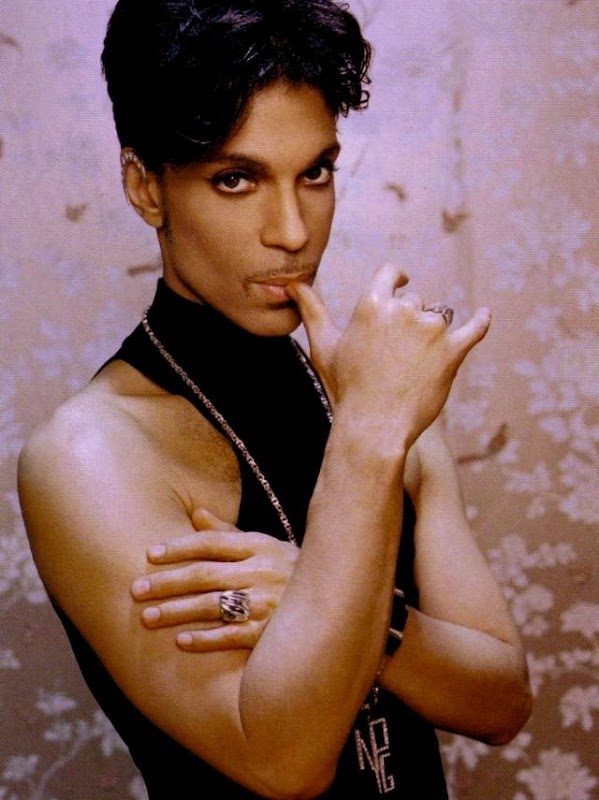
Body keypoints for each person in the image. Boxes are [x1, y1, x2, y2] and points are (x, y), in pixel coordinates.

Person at [17, 1, 532, 798]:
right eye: (236, 179)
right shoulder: (90, 454)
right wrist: (366, 443)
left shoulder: (373, 402)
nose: (291, 231)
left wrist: (331, 602)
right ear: (146, 186)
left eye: (315, 172)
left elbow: (500, 703)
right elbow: (282, 760)